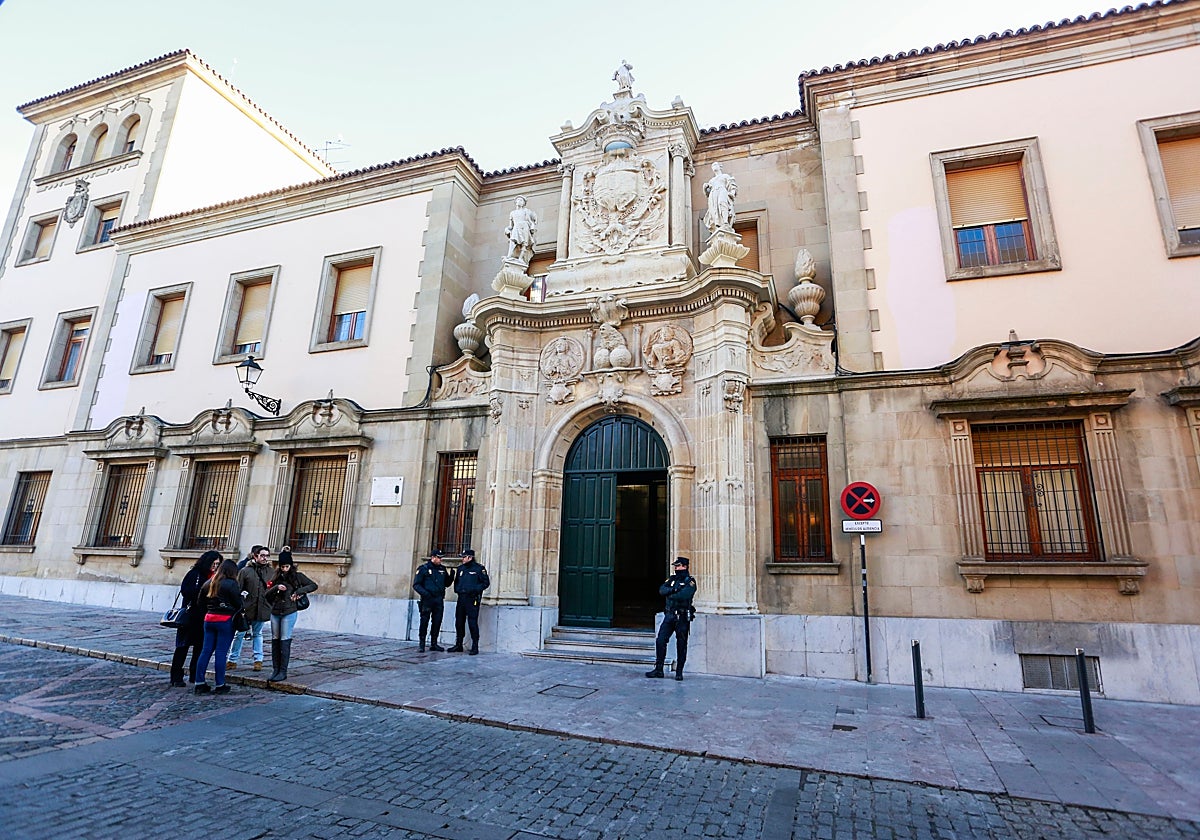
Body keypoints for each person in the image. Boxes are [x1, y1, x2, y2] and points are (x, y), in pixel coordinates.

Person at [265, 547, 318, 682]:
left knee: (285, 639)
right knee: (275, 640)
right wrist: (276, 588)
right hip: (276, 611)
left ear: (291, 565)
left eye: (287, 566)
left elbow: (313, 585)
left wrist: (299, 592)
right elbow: (266, 595)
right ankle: (275, 669)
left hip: (289, 611)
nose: (284, 569)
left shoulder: (297, 577)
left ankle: (283, 671)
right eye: (282, 566)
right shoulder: (275, 577)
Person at [193, 556, 244, 695]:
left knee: (206, 651)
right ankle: (220, 684)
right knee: (221, 653)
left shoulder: (209, 582)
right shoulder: (231, 584)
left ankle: (199, 682)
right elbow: (238, 604)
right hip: (225, 620)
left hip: (209, 619)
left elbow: (200, 603)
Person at [169, 551, 218, 687]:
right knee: (182, 647)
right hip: (190, 616)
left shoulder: (215, 577)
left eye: (217, 564)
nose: (215, 566)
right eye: (213, 563)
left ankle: (194, 674)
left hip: (204, 617)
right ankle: (176, 676)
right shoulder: (194, 574)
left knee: (200, 648)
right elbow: (186, 591)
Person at [646, 557, 697, 681]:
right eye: (675, 566)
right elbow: (662, 590)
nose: (676, 568)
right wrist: (674, 590)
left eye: (678, 566)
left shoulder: (690, 581)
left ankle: (679, 672)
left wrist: (671, 594)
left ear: (684, 566)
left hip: (682, 617)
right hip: (669, 616)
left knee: (681, 644)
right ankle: (659, 669)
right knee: (661, 640)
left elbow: (684, 595)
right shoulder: (672, 579)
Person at [227, 545, 272, 672]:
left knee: (258, 634)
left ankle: (258, 660)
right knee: (239, 634)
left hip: (262, 608)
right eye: (262, 555)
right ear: (255, 556)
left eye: (267, 556)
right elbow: (238, 589)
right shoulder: (245, 571)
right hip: (246, 608)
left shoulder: (271, 572)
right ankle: (232, 660)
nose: (265, 558)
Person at [448, 548, 489, 655]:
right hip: (462, 598)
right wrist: (458, 590)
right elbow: (457, 582)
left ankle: (475, 646)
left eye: (464, 557)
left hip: (472, 599)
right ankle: (458, 644)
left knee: (472, 622)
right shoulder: (461, 568)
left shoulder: (479, 569)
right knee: (459, 622)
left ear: (470, 557)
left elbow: (485, 583)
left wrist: (474, 589)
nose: (462, 559)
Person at [413, 548, 455, 652]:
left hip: (438, 599)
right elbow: (416, 585)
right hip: (427, 600)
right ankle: (422, 644)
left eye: (441, 558)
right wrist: (426, 594)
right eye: (439, 558)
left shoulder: (442, 569)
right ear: (433, 558)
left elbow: (446, 584)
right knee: (424, 621)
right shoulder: (423, 568)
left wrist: (452, 576)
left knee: (437, 621)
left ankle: (434, 643)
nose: (441, 559)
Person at [702, 162, 738, 235]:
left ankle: (725, 222)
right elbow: (707, 193)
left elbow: (732, 185)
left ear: (720, 167)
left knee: (722, 203)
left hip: (722, 191)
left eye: (715, 165)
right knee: (714, 209)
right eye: (712, 166)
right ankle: (717, 224)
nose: (714, 167)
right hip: (713, 194)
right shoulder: (711, 180)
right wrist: (705, 188)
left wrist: (732, 193)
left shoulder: (725, 176)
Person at [504, 196, 537, 263]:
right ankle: (509, 256)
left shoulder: (526, 211)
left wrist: (532, 226)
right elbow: (510, 226)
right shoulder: (512, 213)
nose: (519, 201)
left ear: (523, 203)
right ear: (516, 202)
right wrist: (506, 229)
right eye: (518, 200)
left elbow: (531, 221)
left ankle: (520, 258)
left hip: (524, 227)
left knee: (524, 243)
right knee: (513, 240)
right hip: (516, 227)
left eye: (521, 200)